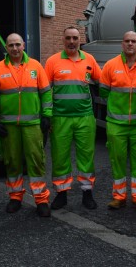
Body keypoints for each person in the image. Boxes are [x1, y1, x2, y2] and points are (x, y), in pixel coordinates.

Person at [0, 33, 53, 218]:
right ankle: (15, 197)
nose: (15, 48)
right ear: (6, 47)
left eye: (18, 44)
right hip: (9, 126)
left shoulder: (35, 66)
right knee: (12, 161)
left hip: (32, 124)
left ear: (24, 45)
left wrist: (47, 115)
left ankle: (41, 200)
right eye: (11, 45)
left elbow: (46, 93)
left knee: (36, 161)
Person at [44, 26, 102, 210]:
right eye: (68, 37)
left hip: (85, 117)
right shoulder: (53, 61)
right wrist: (47, 116)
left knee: (86, 157)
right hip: (60, 118)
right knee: (60, 157)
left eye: (75, 38)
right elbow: (45, 92)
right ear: (63, 39)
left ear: (79, 40)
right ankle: (61, 195)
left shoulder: (89, 60)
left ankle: (87, 193)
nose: (71, 41)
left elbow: (101, 82)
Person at [99, 31, 136, 212]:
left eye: (133, 41)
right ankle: (119, 197)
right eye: (127, 41)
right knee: (117, 160)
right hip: (116, 124)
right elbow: (104, 92)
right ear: (122, 44)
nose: (130, 44)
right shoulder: (110, 65)